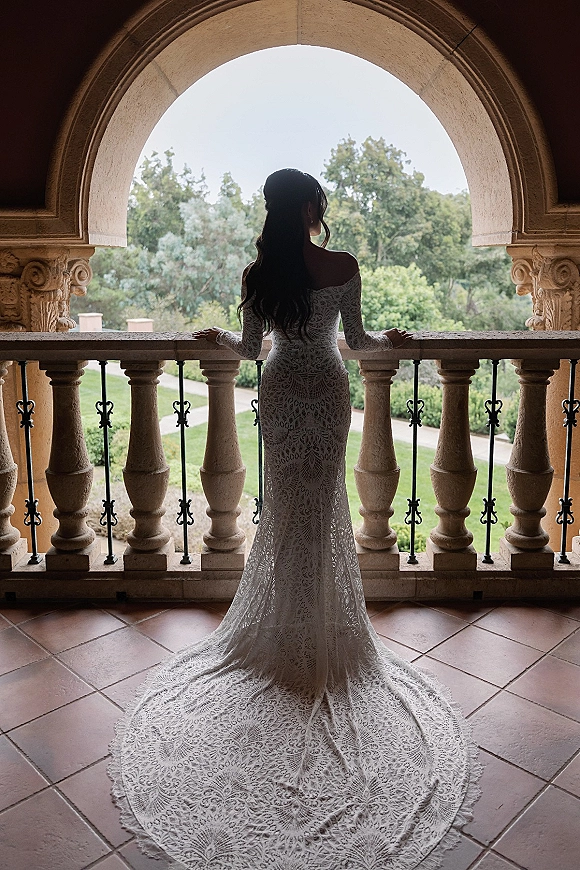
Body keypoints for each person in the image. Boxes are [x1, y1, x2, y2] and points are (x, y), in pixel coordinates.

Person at [109, 169, 481, 870]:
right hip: (327, 390)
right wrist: (394, 339)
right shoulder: (341, 265)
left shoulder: (260, 271)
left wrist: (217, 334)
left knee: (286, 513)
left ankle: (287, 626)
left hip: (282, 393)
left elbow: (251, 353)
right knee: (321, 508)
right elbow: (361, 342)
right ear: (310, 207)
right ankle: (319, 628)